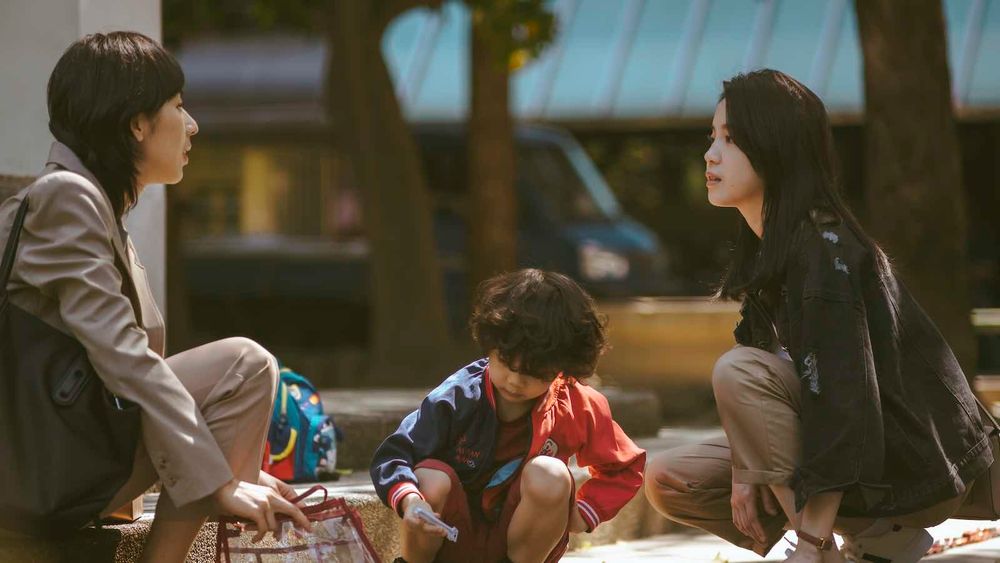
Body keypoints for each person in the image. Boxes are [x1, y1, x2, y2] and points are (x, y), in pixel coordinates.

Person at [643, 69, 994, 563]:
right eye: (712, 137)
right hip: (847, 452)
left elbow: (843, 405)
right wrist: (746, 472)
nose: (710, 154)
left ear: (774, 147)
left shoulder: (825, 253)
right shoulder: (770, 248)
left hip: (908, 460)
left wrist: (808, 542)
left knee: (738, 370)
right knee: (670, 479)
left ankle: (843, 546)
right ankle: (868, 540)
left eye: (731, 139)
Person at [0, 32, 310, 561]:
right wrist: (220, 481)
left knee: (237, 377)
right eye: (179, 106)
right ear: (136, 124)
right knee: (245, 363)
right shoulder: (67, 198)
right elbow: (124, 358)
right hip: (36, 464)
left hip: (63, 451)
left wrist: (236, 469)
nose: (192, 125)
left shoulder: (97, 206)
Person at [370, 269, 646, 563]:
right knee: (429, 478)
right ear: (491, 346)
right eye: (505, 363)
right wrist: (411, 501)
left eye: (533, 372)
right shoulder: (457, 396)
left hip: (519, 546)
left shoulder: (577, 404)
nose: (515, 381)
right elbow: (394, 454)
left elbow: (625, 467)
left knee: (550, 474)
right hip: (450, 537)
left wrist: (584, 512)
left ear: (561, 367)